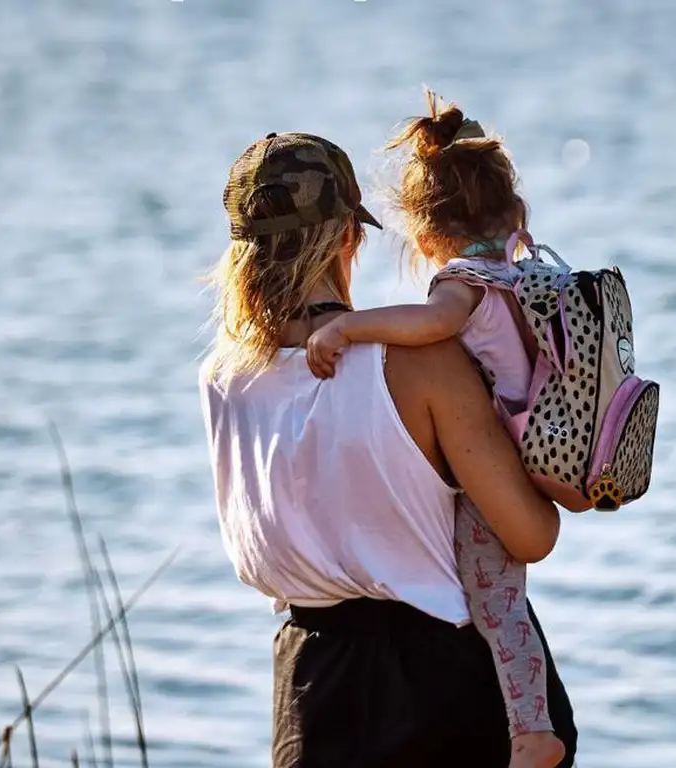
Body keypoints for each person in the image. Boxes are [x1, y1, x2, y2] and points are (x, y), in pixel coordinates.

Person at [200, 130, 577, 767]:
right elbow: (532, 536)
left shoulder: (223, 379)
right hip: (451, 690)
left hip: (311, 690)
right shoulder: (421, 362)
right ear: (348, 237)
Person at [305, 91, 565, 767]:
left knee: (494, 599)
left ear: (423, 239)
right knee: (504, 594)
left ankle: (532, 732)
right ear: (516, 212)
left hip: (493, 464)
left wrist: (349, 326)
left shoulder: (464, 282)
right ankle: (530, 724)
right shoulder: (518, 273)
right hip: (530, 444)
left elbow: (431, 324)